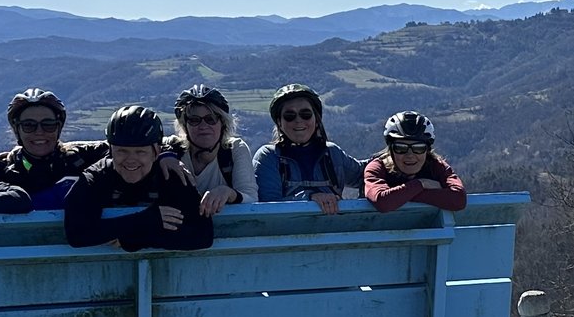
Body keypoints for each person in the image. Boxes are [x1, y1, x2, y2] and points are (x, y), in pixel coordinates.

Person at [63, 105, 216, 251]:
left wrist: (134, 239)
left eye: (140, 152)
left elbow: (202, 235)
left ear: (156, 151)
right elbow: (77, 235)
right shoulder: (96, 177)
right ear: (110, 150)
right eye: (122, 151)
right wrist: (146, 220)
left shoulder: (170, 175)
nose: (130, 159)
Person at [249, 82, 364, 214]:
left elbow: (364, 174)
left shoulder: (332, 154)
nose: (298, 120)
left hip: (332, 231)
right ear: (279, 123)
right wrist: (309, 197)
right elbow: (268, 206)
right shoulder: (269, 157)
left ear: (317, 120)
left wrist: (390, 155)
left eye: (306, 114)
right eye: (289, 116)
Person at [0, 88, 103, 208]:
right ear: (17, 129)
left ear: (59, 127)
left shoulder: (84, 157)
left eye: (48, 125)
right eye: (29, 125)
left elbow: (119, 149)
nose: (39, 132)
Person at [164, 82, 260, 218]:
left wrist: (228, 193)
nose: (203, 126)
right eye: (194, 120)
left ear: (223, 124)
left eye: (211, 119)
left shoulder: (234, 150)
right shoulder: (173, 148)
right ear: (185, 126)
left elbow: (251, 199)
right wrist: (164, 156)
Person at [362, 110, 468, 213]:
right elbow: (382, 202)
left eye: (418, 148)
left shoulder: (436, 166)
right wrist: (421, 184)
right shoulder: (377, 167)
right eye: (401, 148)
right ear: (391, 150)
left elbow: (459, 199)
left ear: (427, 150)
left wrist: (399, 196)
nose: (410, 155)